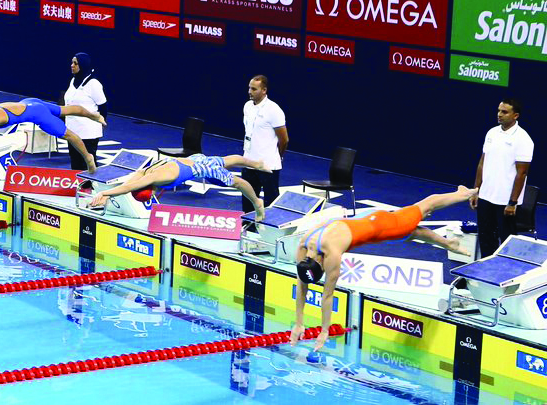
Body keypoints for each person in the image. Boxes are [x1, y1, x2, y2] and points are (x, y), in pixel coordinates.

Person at [290, 186, 476, 351]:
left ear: (322, 263)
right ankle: (449, 244)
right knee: (409, 233)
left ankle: (464, 193)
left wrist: (324, 331)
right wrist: (298, 323)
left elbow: (327, 295)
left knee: (424, 207)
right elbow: (302, 285)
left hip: (379, 224)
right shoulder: (304, 244)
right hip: (359, 220)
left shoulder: (332, 253)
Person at [85, 154, 268, 214]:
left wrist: (106, 194)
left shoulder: (156, 178)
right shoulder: (145, 172)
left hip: (201, 168)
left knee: (238, 182)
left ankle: (257, 202)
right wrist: (104, 195)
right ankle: (256, 163)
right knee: (225, 160)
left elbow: (128, 188)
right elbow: (129, 184)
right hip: (192, 159)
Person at [471, 99, 534, 258]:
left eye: (504, 112)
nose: (499, 114)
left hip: (505, 202)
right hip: (485, 196)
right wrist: (476, 191)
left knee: (507, 240)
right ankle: (486, 268)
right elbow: (482, 163)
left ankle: (508, 273)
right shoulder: (492, 132)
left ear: (515, 116)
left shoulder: (524, 140)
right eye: (499, 110)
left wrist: (512, 202)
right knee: (485, 237)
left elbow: (522, 174)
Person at [242, 75, 289, 212]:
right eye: (249, 88)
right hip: (248, 161)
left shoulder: (274, 110)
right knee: (248, 199)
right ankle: (248, 228)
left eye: (254, 89)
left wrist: (277, 156)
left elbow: (284, 139)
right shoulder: (247, 106)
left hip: (268, 165)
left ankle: (272, 232)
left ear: (264, 90)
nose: (250, 91)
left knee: (271, 201)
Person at [64, 53, 106, 171]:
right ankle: (78, 187)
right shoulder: (73, 81)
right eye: (72, 62)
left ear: (83, 65)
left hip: (88, 133)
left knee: (88, 163)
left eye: (75, 63)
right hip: (72, 131)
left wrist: (101, 122)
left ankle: (93, 187)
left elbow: (103, 106)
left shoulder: (94, 84)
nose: (72, 65)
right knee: (75, 161)